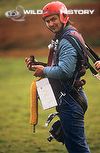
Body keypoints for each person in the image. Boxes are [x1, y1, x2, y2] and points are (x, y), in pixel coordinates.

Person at [25, 1, 91, 153]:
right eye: (47, 21)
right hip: (69, 98)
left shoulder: (66, 40)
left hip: (71, 100)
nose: (50, 23)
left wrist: (44, 71)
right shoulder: (64, 35)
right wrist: (38, 66)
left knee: (78, 148)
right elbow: (62, 66)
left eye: (53, 19)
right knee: (73, 145)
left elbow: (64, 72)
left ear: (63, 17)